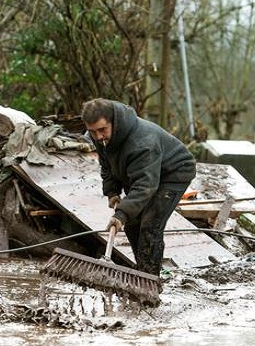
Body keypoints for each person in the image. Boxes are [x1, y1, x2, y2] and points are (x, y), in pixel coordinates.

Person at [81, 98, 196, 284]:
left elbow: (145, 186)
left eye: (103, 130)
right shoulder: (100, 137)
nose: (99, 136)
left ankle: (150, 280)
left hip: (173, 173)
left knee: (150, 225)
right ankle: (142, 271)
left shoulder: (142, 142)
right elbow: (107, 165)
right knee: (132, 224)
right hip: (143, 172)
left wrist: (121, 213)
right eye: (93, 132)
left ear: (114, 123)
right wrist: (112, 192)